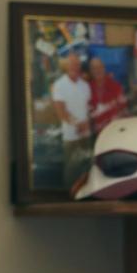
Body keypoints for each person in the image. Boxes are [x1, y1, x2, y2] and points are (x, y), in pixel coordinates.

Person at [51, 51, 92, 190]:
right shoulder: (59, 85)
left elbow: (88, 108)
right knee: (71, 169)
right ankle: (69, 197)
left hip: (85, 134)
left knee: (86, 165)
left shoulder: (85, 85)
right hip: (71, 135)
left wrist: (87, 123)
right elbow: (61, 112)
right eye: (72, 64)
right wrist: (77, 124)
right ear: (67, 66)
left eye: (77, 64)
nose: (75, 66)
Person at [87, 56, 128, 136]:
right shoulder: (88, 89)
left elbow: (124, 110)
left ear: (104, 68)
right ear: (91, 71)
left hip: (116, 132)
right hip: (99, 136)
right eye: (94, 68)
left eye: (99, 67)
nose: (97, 70)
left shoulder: (115, 86)